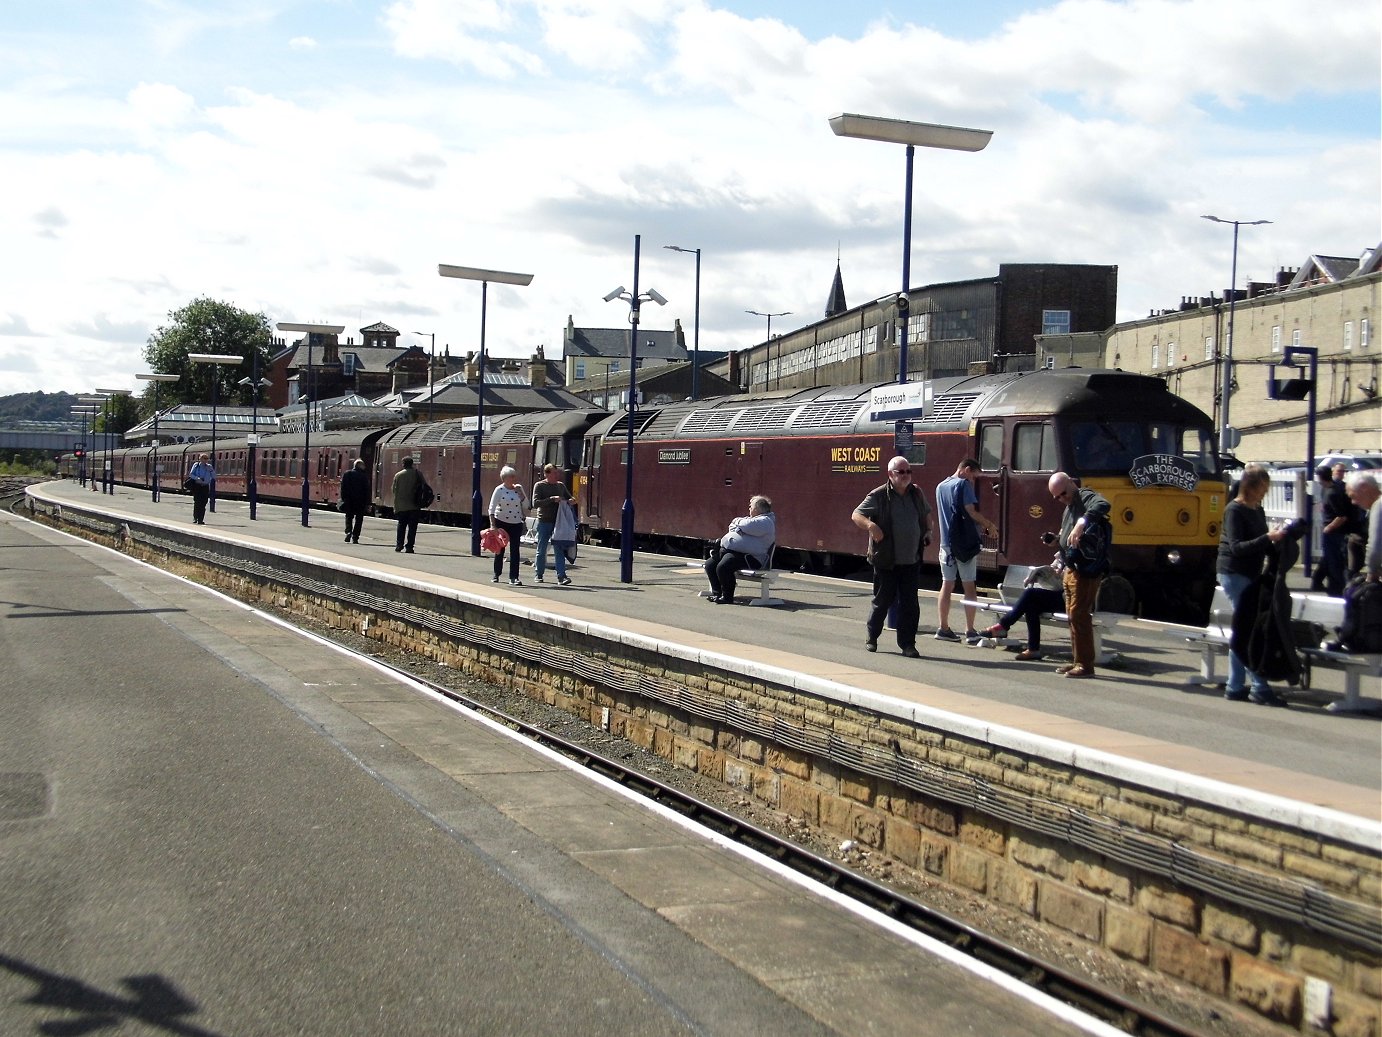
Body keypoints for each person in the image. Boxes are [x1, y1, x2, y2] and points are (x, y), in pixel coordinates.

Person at [1216, 464, 1289, 705]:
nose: (1264, 493)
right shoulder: (1234, 510)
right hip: (1234, 571)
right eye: (1261, 488)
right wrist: (1267, 538)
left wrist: (1278, 538)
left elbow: (1260, 544)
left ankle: (1235, 685)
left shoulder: (1256, 509)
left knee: (1244, 628)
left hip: (1250, 572)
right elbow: (1237, 547)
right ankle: (1259, 686)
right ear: (1251, 486)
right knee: (1249, 629)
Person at [852, 456, 933, 657]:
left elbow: (926, 514)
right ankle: (872, 636)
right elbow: (856, 515)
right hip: (886, 560)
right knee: (882, 602)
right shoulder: (879, 495)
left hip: (911, 560)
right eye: (901, 472)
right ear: (890, 474)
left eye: (908, 471)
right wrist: (871, 526)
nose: (906, 475)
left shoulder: (916, 493)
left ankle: (908, 645)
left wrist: (928, 531)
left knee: (910, 605)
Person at [1047, 472, 1111, 679]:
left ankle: (1085, 664)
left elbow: (1103, 505)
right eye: (1056, 497)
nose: (1061, 499)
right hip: (1071, 567)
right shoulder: (1069, 507)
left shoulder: (1085, 496)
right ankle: (1077, 660)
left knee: (1079, 614)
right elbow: (1068, 536)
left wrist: (1082, 522)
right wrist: (1057, 541)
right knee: (1072, 616)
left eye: (1063, 494)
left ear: (1071, 484)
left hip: (1086, 569)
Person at [934, 459, 998, 644]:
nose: (973, 480)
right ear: (966, 470)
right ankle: (970, 630)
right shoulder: (963, 484)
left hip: (946, 544)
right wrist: (989, 525)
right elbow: (970, 512)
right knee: (969, 587)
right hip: (964, 545)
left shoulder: (940, 486)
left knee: (947, 585)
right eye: (973, 476)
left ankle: (943, 628)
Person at [979, 554, 1066, 660]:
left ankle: (1003, 625)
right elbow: (1055, 568)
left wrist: (1063, 574)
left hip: (1071, 599)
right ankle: (1033, 649)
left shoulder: (1080, 551)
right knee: (1031, 605)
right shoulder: (1064, 552)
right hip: (1061, 594)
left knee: (1030, 594)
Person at [704, 495, 776, 605]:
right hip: (736, 553)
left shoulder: (766, 522)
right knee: (710, 564)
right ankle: (717, 593)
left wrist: (737, 522)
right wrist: (741, 527)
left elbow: (746, 525)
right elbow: (732, 527)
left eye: (751, 506)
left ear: (757, 509)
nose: (749, 509)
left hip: (752, 558)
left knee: (723, 567)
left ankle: (727, 597)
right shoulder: (753, 520)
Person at [531, 464, 575, 586]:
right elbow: (535, 503)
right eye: (554, 473)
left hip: (559, 522)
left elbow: (569, 497)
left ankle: (561, 576)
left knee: (559, 549)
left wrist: (572, 500)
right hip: (544, 521)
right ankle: (539, 574)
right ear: (547, 474)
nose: (557, 475)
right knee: (542, 549)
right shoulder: (539, 486)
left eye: (557, 473)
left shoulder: (560, 486)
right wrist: (551, 499)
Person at [1310, 465, 1350, 596]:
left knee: (1334, 562)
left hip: (1334, 533)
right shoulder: (1325, 490)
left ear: (1321, 477)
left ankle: (1336, 589)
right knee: (1327, 559)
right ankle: (1317, 582)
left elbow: (1342, 516)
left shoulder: (1333, 492)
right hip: (1329, 531)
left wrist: (1329, 527)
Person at [489, 466, 527, 585]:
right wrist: (493, 526)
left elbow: (527, 505)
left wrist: (521, 493)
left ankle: (514, 577)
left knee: (515, 550)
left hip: (516, 523)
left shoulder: (518, 489)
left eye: (514, 476)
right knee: (500, 549)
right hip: (501, 522)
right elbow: (491, 508)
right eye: (512, 476)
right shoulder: (499, 490)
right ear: (505, 478)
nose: (514, 478)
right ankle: (496, 574)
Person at [1345, 471, 1380, 583]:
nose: (1353, 502)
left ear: (1364, 487)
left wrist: (1371, 573)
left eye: (1353, 496)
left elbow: (1375, 546)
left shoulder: (1378, 506)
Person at [390, 456, 423, 554]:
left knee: (401, 526)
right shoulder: (418, 474)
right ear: (412, 464)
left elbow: (394, 490)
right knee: (412, 528)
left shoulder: (398, 475)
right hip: (415, 505)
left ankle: (399, 545)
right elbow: (424, 487)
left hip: (402, 505)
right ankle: (409, 547)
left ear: (403, 464)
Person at [339, 458, 370, 544]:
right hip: (360, 501)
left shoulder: (347, 474)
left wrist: (343, 498)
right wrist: (368, 503)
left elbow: (343, 488)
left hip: (349, 500)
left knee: (349, 517)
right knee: (359, 519)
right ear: (360, 466)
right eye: (363, 465)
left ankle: (348, 532)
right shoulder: (364, 476)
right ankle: (355, 537)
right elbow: (366, 490)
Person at [186, 453, 213, 525]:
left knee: (204, 503)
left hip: (205, 486)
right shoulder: (196, 465)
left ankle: (201, 519)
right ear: (200, 459)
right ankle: (195, 518)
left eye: (207, 459)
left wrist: (211, 471)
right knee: (197, 502)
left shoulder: (209, 467)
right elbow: (191, 474)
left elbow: (214, 476)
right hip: (197, 486)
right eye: (204, 458)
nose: (206, 460)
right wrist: (197, 478)